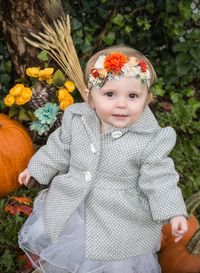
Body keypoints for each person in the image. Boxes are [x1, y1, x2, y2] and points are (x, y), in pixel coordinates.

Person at [18, 46, 188, 273]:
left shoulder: (150, 138)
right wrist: (37, 169)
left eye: (133, 96)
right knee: (72, 252)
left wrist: (174, 211)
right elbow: (60, 148)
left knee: (116, 263)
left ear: (147, 99)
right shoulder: (77, 119)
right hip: (76, 209)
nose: (121, 104)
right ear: (90, 98)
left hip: (121, 218)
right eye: (110, 94)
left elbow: (159, 177)